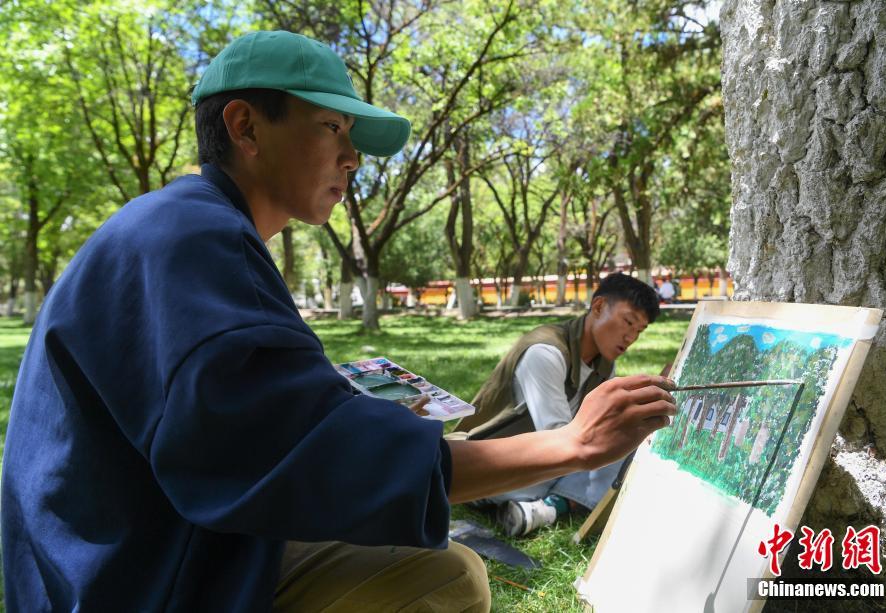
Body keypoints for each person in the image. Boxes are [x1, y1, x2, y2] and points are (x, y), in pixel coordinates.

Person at [1, 31, 676, 612]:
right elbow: (310, 461)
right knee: (444, 577)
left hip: (144, 544)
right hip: (133, 580)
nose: (353, 158)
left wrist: (352, 410)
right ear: (245, 127)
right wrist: (573, 444)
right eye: (332, 128)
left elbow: (241, 418)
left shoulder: (183, 225)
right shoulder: (194, 239)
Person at [452, 273, 660, 536]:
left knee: (627, 444)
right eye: (628, 322)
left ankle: (541, 508)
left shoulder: (603, 364)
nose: (630, 337)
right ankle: (556, 506)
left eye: (639, 331)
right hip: (485, 468)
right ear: (598, 307)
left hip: (537, 462)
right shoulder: (545, 351)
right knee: (618, 450)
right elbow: (559, 441)